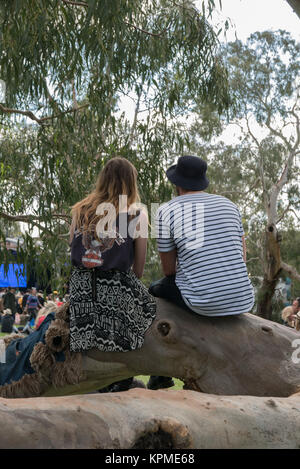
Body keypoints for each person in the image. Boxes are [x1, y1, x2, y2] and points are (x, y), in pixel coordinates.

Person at [147, 155, 255, 390]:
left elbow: (168, 270)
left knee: (154, 290)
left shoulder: (165, 211)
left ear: (177, 184)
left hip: (202, 302)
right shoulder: (230, 205)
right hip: (242, 299)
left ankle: (159, 376)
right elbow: (242, 257)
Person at [69, 156, 156, 392]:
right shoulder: (136, 214)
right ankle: (149, 376)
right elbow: (138, 270)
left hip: (81, 291)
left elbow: (74, 251)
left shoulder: (79, 210)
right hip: (115, 290)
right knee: (152, 311)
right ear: (131, 183)